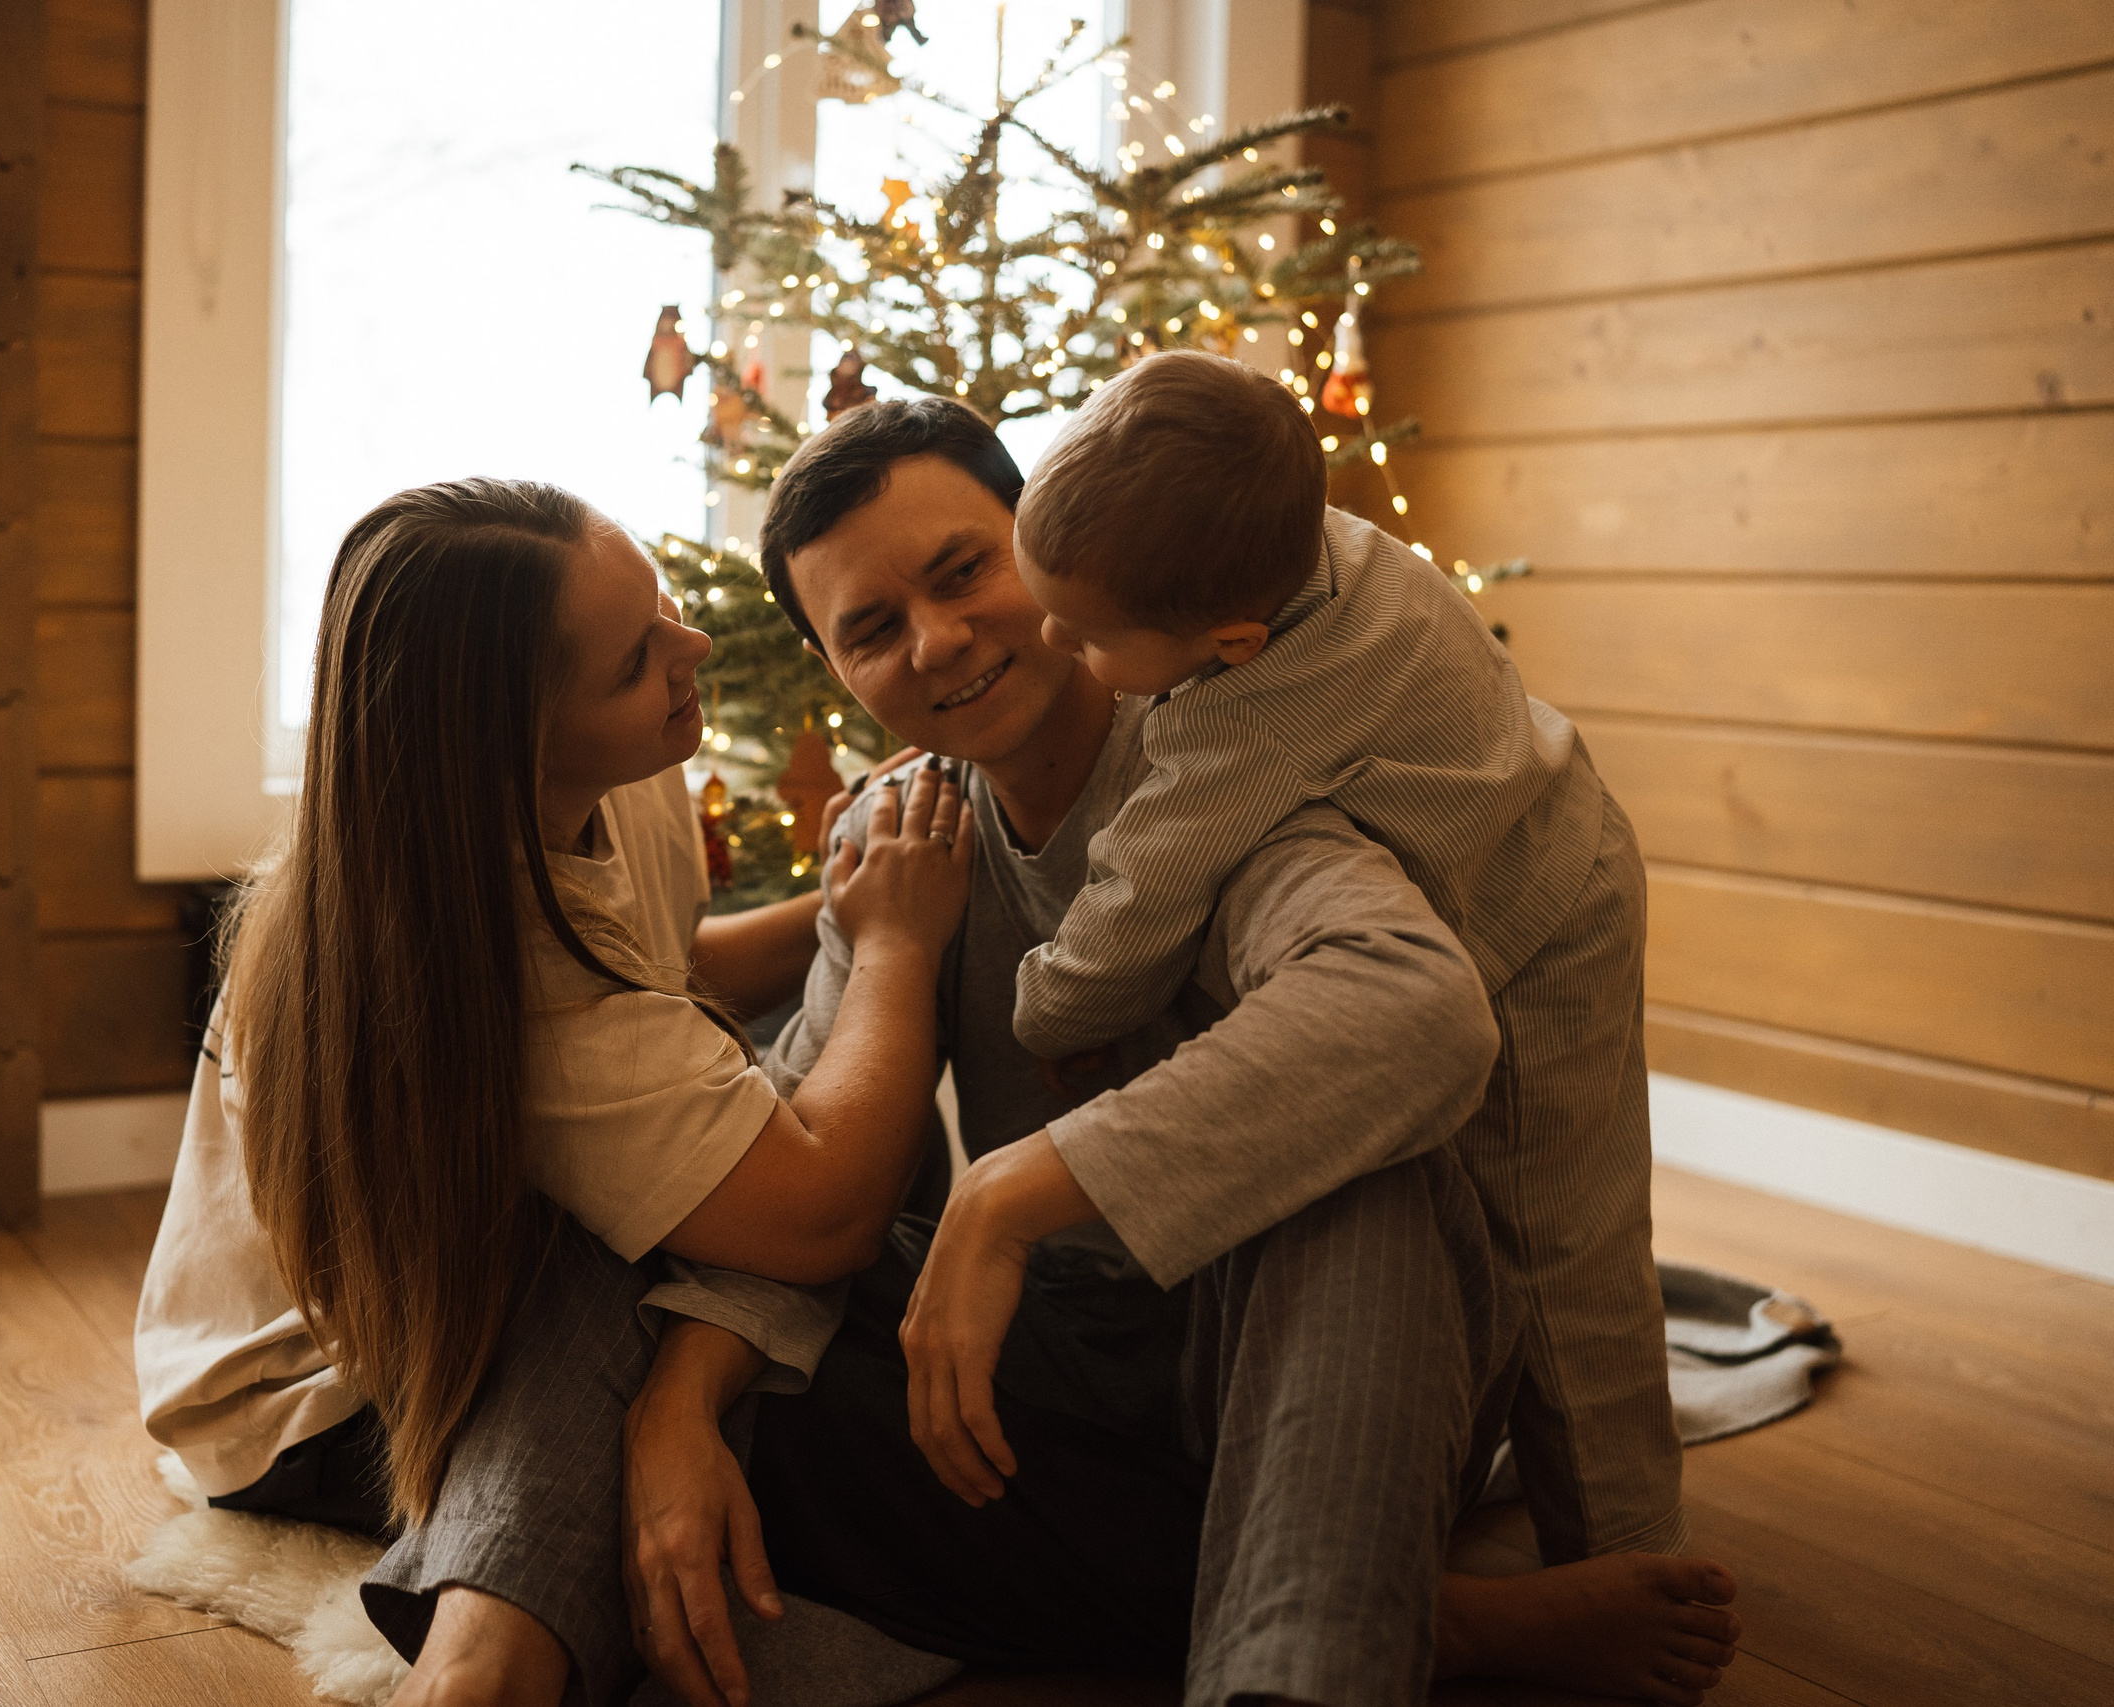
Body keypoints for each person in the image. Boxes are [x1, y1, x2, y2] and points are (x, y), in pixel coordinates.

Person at [617, 396, 1740, 1707]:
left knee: (1364, 1167)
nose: (937, 639)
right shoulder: (901, 834)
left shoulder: (1240, 763)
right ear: (839, 672)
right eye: (870, 628)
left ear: (1044, 546)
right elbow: (807, 1149)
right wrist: (679, 1402)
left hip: (1317, 1353)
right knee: (703, 1363)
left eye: (965, 570)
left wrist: (1010, 1190)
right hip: (1069, 1365)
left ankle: (1298, 1661)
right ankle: (1425, 1614)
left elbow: (1416, 1012)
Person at [133, 477, 973, 1707]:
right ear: (515, 740)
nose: (692, 648)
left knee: (802, 1208)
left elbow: (660, 983)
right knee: (633, 1263)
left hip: (468, 1269)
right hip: (312, 1402)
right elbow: (822, 1215)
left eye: (667, 608)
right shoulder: (480, 960)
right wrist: (897, 946)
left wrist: (855, 887)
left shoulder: (602, 780)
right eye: (639, 660)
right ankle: (488, 1658)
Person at [1004, 349, 1686, 1569]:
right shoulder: (1324, 540)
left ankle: (1626, 1560)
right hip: (1547, 832)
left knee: (1563, 1253)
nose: (1050, 638)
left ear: (1233, 641)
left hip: (1539, 929)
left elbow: (1137, 902)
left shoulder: (1248, 717)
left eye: (1087, 634)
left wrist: (1049, 1011)